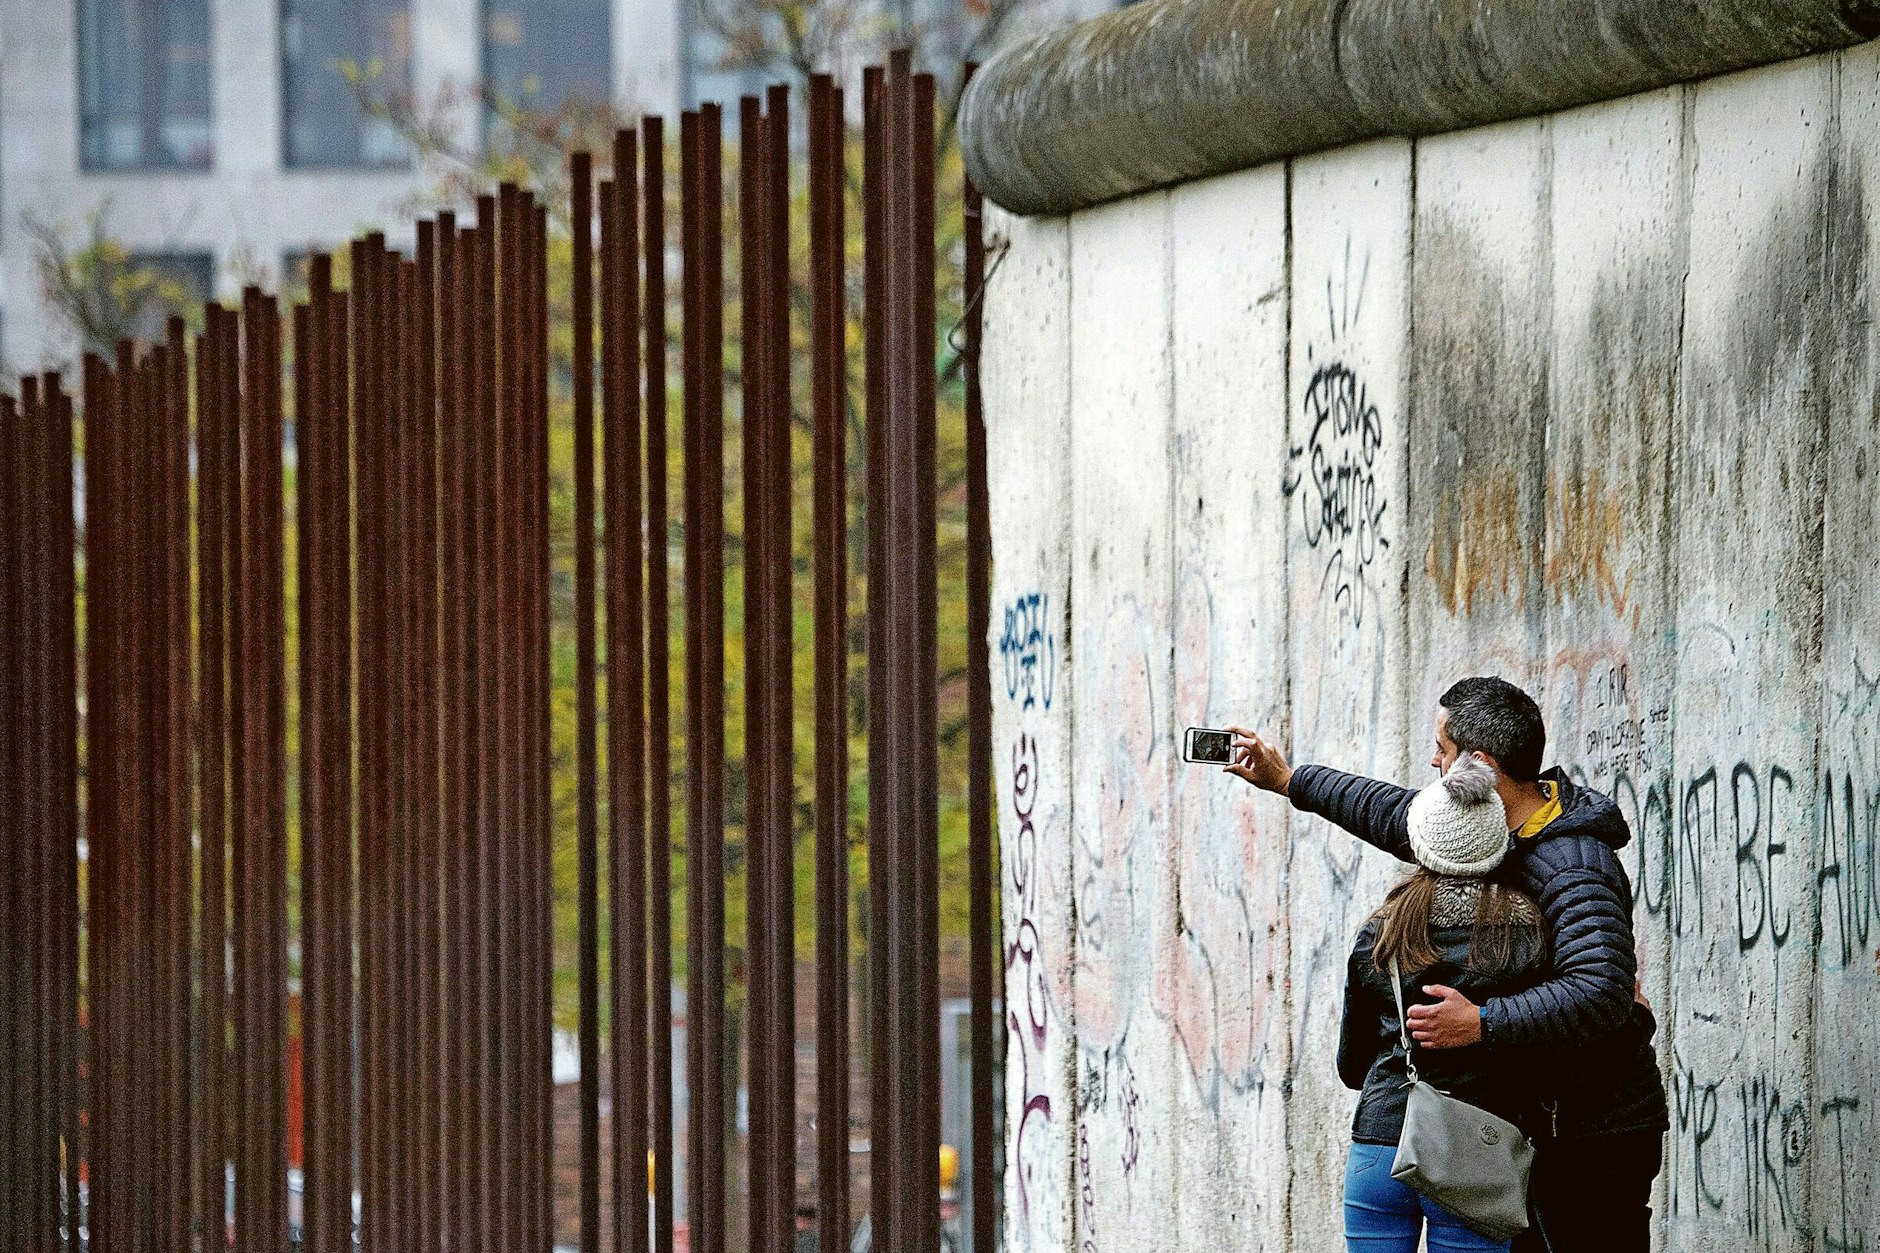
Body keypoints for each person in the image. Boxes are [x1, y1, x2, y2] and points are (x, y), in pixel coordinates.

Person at [1227, 676, 1668, 1253]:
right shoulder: (1484, 830)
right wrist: (1289, 780)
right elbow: (1394, 814)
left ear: (1478, 763)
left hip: (1591, 1133)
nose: (1433, 761)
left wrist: (1481, 1021)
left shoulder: (1572, 863)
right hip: (1530, 1127)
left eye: (1442, 748)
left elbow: (1601, 992)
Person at [1338, 751, 1547, 1251]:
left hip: (1383, 1143)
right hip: (1481, 1147)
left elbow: (1352, 1066)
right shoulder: (1530, 934)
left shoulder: (1381, 933)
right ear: (1499, 843)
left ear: (1421, 844)